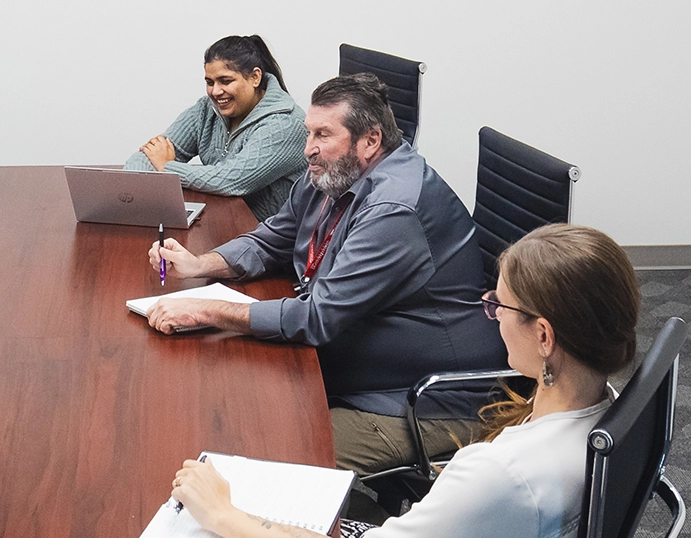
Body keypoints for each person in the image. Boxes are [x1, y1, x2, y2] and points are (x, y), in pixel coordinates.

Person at [171, 223, 642, 538]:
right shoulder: (608, 410)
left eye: (498, 304)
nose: (490, 313)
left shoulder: (504, 475)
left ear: (543, 336)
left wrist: (220, 513)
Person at [146, 74, 506, 476]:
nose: (308, 150)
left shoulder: (393, 210)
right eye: (308, 133)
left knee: (277, 460)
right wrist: (201, 264)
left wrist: (208, 310)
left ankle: (352, 528)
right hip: (349, 361)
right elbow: (275, 238)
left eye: (322, 135)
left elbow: (316, 317)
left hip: (419, 398)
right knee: (229, 408)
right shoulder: (334, 170)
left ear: (369, 140)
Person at [124, 35, 306, 222]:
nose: (215, 91)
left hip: (270, 238)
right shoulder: (206, 109)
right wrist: (130, 191)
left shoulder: (285, 124)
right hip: (222, 222)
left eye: (225, 81)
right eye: (210, 82)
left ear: (255, 77)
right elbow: (151, 153)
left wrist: (167, 168)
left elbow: (230, 180)